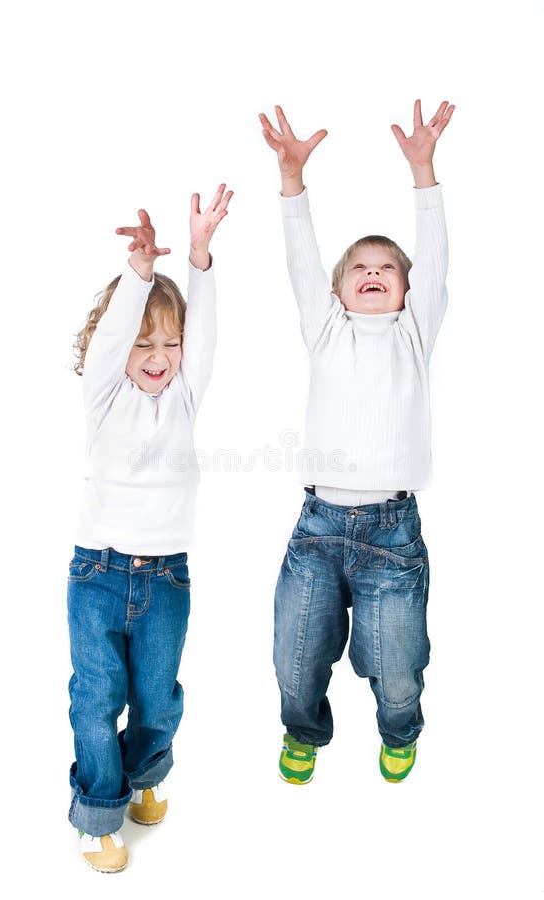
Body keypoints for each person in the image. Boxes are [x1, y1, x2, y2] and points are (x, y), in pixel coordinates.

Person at [259, 100, 453, 785]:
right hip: (315, 526)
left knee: (395, 663)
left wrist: (422, 171)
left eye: (387, 269)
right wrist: (291, 180)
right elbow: (300, 258)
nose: (373, 273)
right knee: (295, 656)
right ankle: (303, 731)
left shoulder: (411, 333)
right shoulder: (326, 328)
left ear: (406, 290)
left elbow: (432, 257)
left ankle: (400, 730)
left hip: (390, 533)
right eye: (358, 269)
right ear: (338, 291)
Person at [67, 184, 233, 872]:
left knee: (158, 699)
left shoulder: (186, 397)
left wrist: (199, 255)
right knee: (96, 697)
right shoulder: (105, 396)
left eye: (170, 340)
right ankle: (100, 811)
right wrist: (139, 277)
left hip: (166, 577)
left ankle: (145, 773)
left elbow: (207, 331)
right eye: (144, 341)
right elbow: (113, 340)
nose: (158, 353)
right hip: (97, 574)